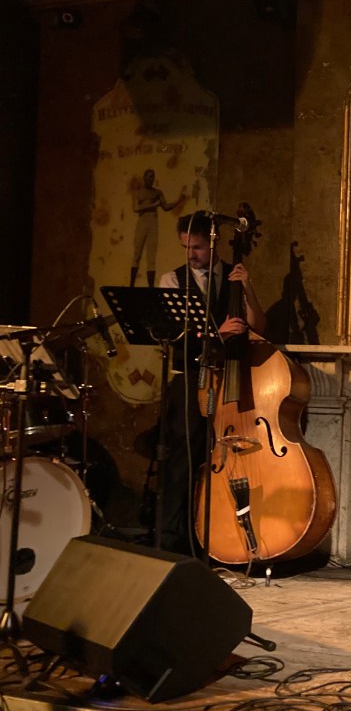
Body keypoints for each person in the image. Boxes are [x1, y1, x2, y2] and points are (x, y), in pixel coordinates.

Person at [154, 212, 266, 553]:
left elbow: (258, 325)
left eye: (198, 247)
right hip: (189, 379)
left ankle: (213, 535)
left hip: (228, 378)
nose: (191, 255)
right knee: (183, 457)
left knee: (219, 455)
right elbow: (173, 334)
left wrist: (247, 287)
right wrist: (217, 333)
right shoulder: (172, 280)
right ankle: (171, 539)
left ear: (213, 244)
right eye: (186, 247)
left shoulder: (231, 276)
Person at [131, 169, 185, 287]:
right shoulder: (139, 192)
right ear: (144, 177)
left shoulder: (157, 193)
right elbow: (136, 208)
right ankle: (131, 285)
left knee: (151, 256)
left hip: (153, 223)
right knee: (137, 253)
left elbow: (165, 206)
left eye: (152, 177)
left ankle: (151, 287)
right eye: (148, 176)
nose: (150, 179)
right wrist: (153, 205)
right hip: (142, 222)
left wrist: (179, 201)